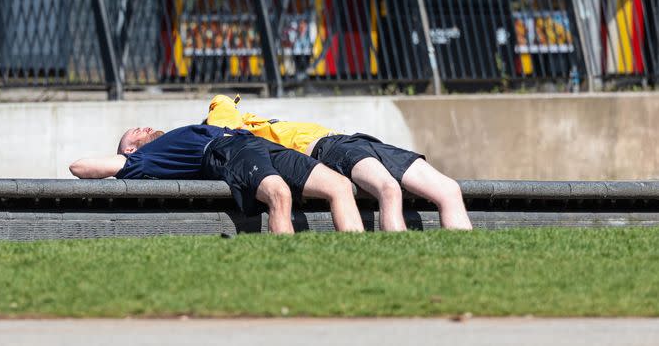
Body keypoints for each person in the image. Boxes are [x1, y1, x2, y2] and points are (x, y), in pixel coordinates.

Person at [205, 95, 472, 231]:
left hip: (356, 140)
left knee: (449, 190)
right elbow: (222, 106)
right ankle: (398, 259)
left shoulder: (258, 123)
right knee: (388, 189)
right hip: (330, 148)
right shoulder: (234, 135)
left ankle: (465, 265)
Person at [70, 124, 364, 235]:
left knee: (339, 186)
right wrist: (123, 160)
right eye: (134, 132)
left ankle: (357, 262)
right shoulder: (143, 158)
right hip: (228, 151)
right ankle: (286, 264)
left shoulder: (168, 139)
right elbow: (80, 167)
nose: (142, 127)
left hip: (256, 144)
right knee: (280, 194)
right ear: (130, 149)